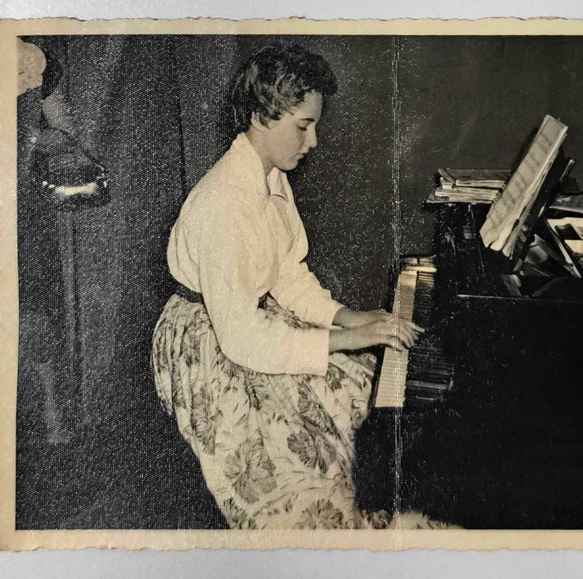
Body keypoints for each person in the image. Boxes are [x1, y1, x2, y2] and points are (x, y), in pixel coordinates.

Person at [151, 43, 443, 529]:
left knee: (356, 388)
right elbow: (241, 337)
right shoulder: (224, 203)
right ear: (262, 117)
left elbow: (287, 273)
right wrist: (342, 339)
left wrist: (348, 318)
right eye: (303, 126)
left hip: (250, 320)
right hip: (209, 341)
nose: (313, 142)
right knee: (292, 467)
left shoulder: (268, 174)